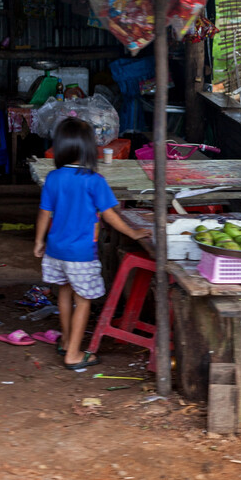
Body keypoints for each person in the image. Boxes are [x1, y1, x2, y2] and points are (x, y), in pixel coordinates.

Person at [33, 118, 151, 370]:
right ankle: (74, 354)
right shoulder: (94, 180)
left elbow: (44, 213)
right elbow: (110, 215)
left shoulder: (53, 177)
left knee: (63, 293)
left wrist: (38, 241)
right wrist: (132, 233)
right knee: (83, 300)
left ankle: (66, 341)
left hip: (56, 251)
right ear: (89, 149)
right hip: (80, 255)